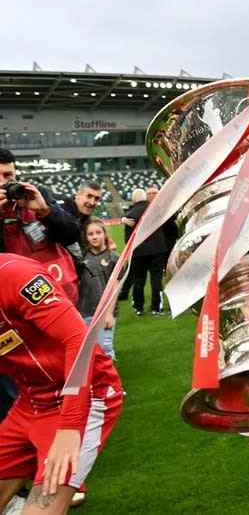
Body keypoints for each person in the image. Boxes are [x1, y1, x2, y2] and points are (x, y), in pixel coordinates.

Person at [0, 254, 122, 514]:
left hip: (85, 395)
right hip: (29, 402)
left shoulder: (14, 274)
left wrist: (69, 426)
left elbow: (78, 339)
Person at [0, 150, 81, 305]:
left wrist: (45, 211)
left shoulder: (35, 194)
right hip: (20, 301)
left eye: (8, 175)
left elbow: (72, 235)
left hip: (62, 293)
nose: (3, 182)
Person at [124, 187, 175, 316]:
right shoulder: (155, 209)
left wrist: (122, 219)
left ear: (133, 199)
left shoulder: (129, 214)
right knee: (156, 279)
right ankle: (156, 307)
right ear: (145, 197)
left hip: (138, 252)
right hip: (156, 250)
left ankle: (138, 308)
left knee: (139, 281)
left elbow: (127, 237)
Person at [77, 219, 119, 360]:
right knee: (88, 352)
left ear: (105, 234)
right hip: (84, 312)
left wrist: (109, 313)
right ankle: (94, 381)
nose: (94, 237)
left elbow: (115, 287)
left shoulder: (114, 258)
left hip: (104, 312)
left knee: (105, 350)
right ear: (86, 237)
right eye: (90, 234)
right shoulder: (81, 258)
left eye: (98, 233)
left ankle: (111, 382)